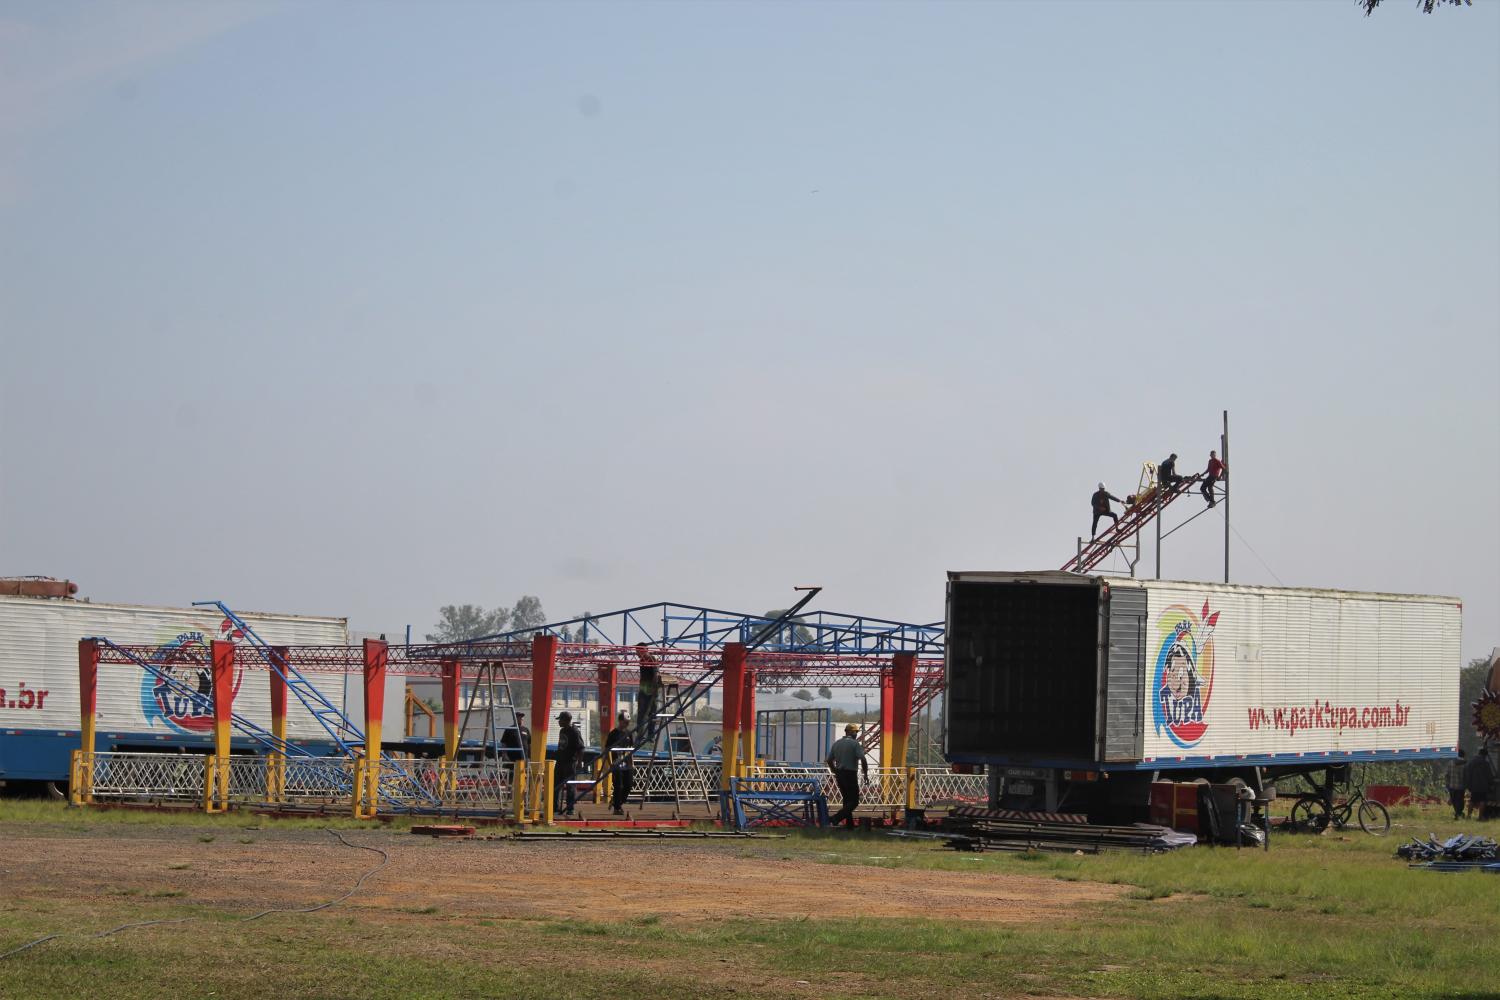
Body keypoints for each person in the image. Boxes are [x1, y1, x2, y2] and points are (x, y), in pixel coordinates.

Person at [825, 723, 869, 829]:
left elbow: (829, 760)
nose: (856, 734)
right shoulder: (854, 744)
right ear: (849, 732)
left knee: (846, 800)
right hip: (850, 774)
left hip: (840, 774)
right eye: (855, 732)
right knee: (854, 801)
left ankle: (849, 826)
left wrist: (835, 771)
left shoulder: (837, 744)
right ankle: (836, 818)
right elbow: (862, 759)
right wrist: (865, 774)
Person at [553, 710, 585, 816]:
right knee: (556, 785)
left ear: (566, 720)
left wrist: (579, 763)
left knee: (570, 786)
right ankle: (555, 808)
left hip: (570, 762)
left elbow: (581, 748)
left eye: (560, 720)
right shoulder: (562, 731)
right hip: (560, 762)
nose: (559, 722)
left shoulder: (575, 732)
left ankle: (570, 808)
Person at [604, 710, 635, 816]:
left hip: (627, 764)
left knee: (628, 786)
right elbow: (607, 750)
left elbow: (631, 750)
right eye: (625, 722)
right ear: (620, 721)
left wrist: (632, 764)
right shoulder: (613, 734)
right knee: (619, 786)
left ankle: (617, 802)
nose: (627, 724)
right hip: (617, 765)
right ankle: (617, 808)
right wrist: (610, 764)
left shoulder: (629, 734)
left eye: (628, 722)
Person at [634, 644, 662, 746]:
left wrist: (654, 689)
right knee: (642, 713)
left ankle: (650, 735)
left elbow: (656, 674)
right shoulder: (641, 661)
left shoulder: (652, 659)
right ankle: (641, 735)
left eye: (637, 651)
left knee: (652, 713)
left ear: (643, 650)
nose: (636, 654)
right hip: (643, 689)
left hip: (651, 690)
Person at [1466, 745, 1495, 820]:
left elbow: (1467, 773)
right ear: (1485, 755)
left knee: (1472, 800)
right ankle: (1480, 816)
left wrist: (1468, 784)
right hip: (1483, 786)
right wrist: (1491, 784)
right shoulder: (1486, 763)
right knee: (1482, 801)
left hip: (1473, 786)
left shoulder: (1471, 762)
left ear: (1479, 753)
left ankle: (1468, 816)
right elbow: (1489, 776)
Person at [1447, 749, 1468, 821]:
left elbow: (1447, 775)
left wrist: (1447, 784)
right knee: (1460, 801)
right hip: (1461, 786)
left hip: (1452, 785)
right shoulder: (1465, 763)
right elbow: (1466, 776)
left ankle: (1458, 814)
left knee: (1454, 801)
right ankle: (1458, 814)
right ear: (1463, 755)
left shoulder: (1450, 762)